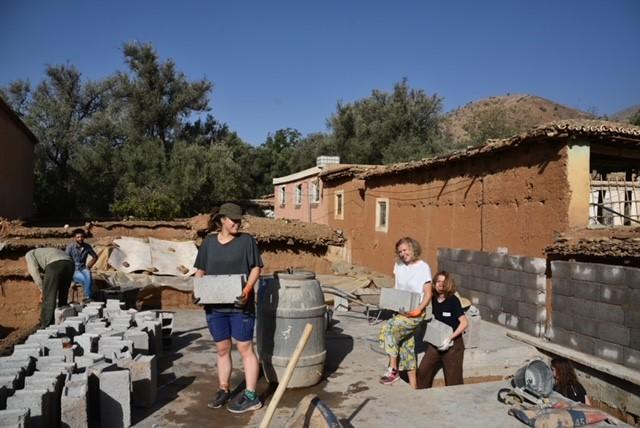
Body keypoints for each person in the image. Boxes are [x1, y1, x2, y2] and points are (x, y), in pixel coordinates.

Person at [194, 203, 263, 413]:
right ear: (222, 220)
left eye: (239, 220)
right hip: (215, 306)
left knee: (245, 348)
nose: (237, 223)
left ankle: (251, 395)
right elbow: (200, 270)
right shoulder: (209, 242)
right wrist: (198, 290)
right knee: (222, 349)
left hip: (240, 305)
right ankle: (224, 389)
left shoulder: (246, 241)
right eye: (233, 220)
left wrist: (249, 289)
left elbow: (256, 267)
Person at [378, 237, 433, 389]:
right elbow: (397, 288)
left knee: (388, 329)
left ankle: (393, 370)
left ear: (413, 248)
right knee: (406, 347)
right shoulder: (398, 266)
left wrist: (419, 310)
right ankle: (414, 388)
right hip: (401, 311)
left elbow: (428, 294)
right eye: (400, 251)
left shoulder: (423, 267)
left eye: (405, 250)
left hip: (416, 312)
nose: (403, 254)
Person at [417, 271, 468, 388]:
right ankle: (421, 395)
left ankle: (454, 401)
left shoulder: (453, 300)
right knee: (423, 370)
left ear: (448, 283)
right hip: (437, 340)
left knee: (453, 379)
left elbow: (464, 323)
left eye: (443, 282)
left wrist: (450, 338)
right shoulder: (434, 298)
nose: (441, 284)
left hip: (453, 343)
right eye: (438, 281)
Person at [25, 247, 74, 328]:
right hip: (70, 264)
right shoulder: (44, 252)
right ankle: (64, 322)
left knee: (49, 297)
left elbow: (34, 272)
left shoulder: (29, 255)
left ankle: (46, 324)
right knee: (63, 295)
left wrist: (42, 291)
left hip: (55, 264)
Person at [65, 228, 98, 300]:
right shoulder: (70, 247)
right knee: (84, 279)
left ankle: (88, 297)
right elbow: (66, 260)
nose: (80, 239)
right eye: (78, 237)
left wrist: (89, 265)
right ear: (75, 238)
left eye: (82, 237)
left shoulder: (87, 247)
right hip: (74, 269)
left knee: (88, 275)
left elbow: (95, 257)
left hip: (83, 268)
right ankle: (88, 296)